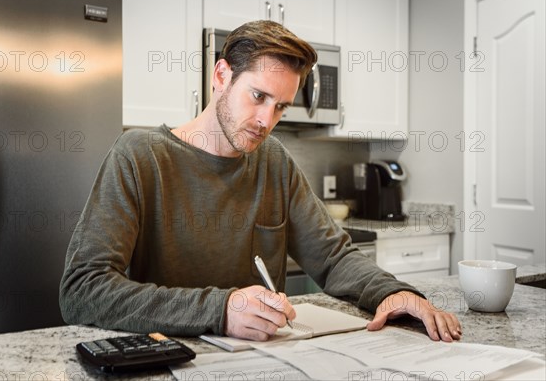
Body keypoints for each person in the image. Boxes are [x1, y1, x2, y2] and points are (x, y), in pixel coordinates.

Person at [59, 20, 461, 343]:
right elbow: (83, 290)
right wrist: (221, 310)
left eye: (281, 107)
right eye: (258, 97)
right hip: (167, 363)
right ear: (221, 75)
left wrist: (394, 293)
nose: (266, 121)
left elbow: (334, 258)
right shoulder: (139, 155)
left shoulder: (274, 162)